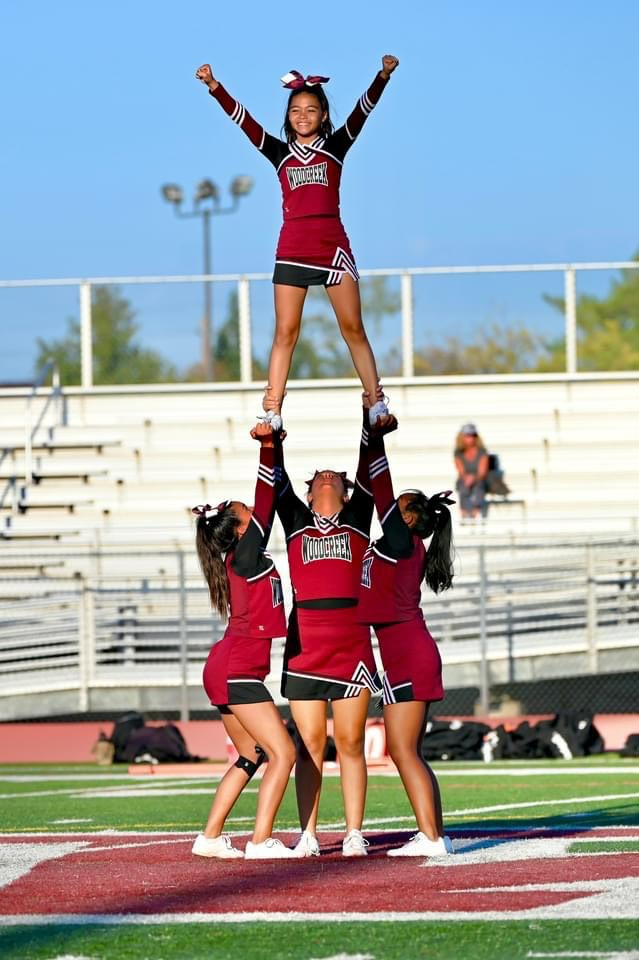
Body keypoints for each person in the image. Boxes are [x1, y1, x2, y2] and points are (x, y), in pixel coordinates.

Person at [195, 55, 400, 428]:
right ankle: (272, 410)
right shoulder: (280, 153)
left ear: (323, 114)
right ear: (288, 115)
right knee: (285, 332)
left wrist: (382, 76)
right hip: (292, 247)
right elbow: (244, 121)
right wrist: (214, 87)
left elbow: (362, 111)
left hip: (333, 247)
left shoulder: (336, 146)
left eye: (310, 109)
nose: (302, 115)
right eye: (295, 109)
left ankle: (376, 402)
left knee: (353, 328)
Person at [273, 405, 383, 857]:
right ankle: (309, 835)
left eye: (334, 473)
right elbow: (274, 477)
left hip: (351, 644)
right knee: (311, 744)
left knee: (352, 742)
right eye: (318, 474)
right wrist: (271, 434)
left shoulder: (358, 518)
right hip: (305, 644)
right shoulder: (296, 521)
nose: (326, 475)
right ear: (309, 488)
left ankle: (355, 831)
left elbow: (369, 465)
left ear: (344, 485)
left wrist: (368, 419)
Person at [191, 422, 296, 860]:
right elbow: (267, 499)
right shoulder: (246, 553)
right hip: (237, 667)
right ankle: (260, 840)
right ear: (237, 530)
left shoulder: (241, 556)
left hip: (227, 664)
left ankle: (210, 837)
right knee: (283, 753)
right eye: (245, 511)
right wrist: (267, 447)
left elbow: (264, 505)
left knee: (251, 755)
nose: (253, 512)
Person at [359, 417, 456, 857]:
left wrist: (374, 437)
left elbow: (381, 489)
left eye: (399, 509)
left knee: (403, 751)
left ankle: (432, 838)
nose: (391, 513)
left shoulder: (401, 542)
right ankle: (434, 832)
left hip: (408, 655)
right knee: (410, 751)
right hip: (405, 654)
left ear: (411, 519)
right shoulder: (402, 546)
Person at [454, 423, 489, 520]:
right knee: (463, 485)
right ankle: (464, 513)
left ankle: (475, 513)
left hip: (479, 479)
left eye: (472, 435)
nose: (470, 438)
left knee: (479, 485)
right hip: (465, 480)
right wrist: (467, 478)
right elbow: (461, 471)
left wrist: (474, 478)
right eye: (467, 435)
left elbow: (482, 472)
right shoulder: (458, 453)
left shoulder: (482, 452)